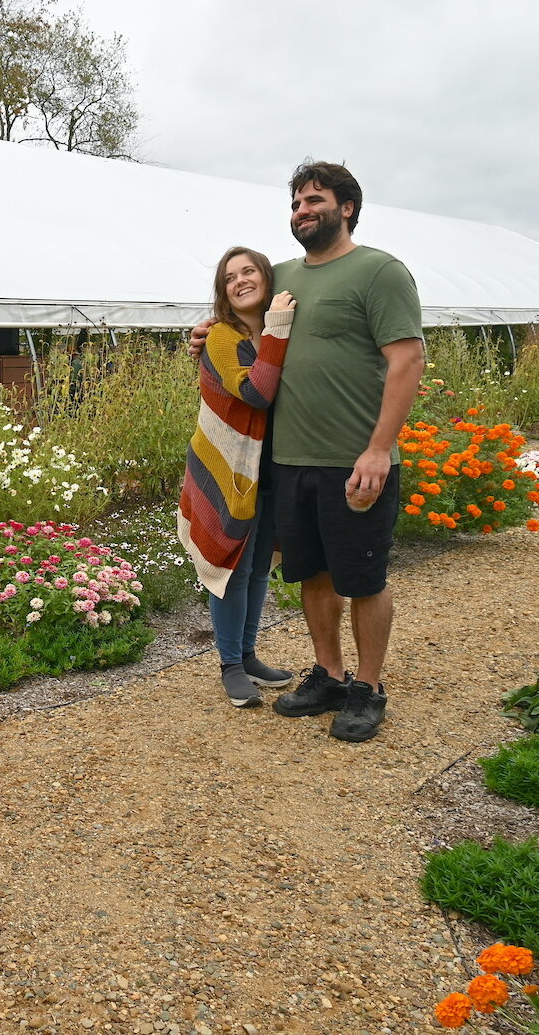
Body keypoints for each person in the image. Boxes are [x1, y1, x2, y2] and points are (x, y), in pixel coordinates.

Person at [188, 161, 424, 742]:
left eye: (314, 200)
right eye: (295, 204)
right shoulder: (285, 273)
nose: (302, 212)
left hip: (355, 460)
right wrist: (203, 331)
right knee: (312, 575)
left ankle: (368, 689)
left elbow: (407, 361)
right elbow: (239, 320)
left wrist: (379, 449)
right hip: (288, 462)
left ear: (346, 207)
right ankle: (329, 675)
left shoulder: (379, 272)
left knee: (363, 579)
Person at [176, 247, 297, 708]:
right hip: (230, 469)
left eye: (249, 272)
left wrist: (276, 329)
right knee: (232, 569)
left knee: (259, 567)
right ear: (223, 292)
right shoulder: (223, 337)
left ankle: (248, 655)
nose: (241, 281)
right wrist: (278, 330)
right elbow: (256, 392)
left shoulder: (275, 328)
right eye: (230, 277)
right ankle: (229, 664)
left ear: (267, 278)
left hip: (271, 466)